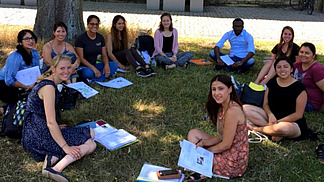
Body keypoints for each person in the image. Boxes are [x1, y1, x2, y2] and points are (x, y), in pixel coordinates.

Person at [22, 54, 96, 182]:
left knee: (90, 132)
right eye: (62, 68)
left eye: (68, 68)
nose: (66, 71)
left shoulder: (50, 83)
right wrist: (66, 147)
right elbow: (51, 123)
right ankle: (56, 168)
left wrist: (57, 125)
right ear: (53, 69)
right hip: (39, 135)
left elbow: (47, 116)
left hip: (33, 130)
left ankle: (51, 158)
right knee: (91, 143)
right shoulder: (49, 87)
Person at [186, 74, 248, 180]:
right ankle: (201, 168)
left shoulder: (233, 111)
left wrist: (206, 152)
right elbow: (220, 136)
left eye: (221, 89)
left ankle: (200, 170)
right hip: (224, 147)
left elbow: (226, 145)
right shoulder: (221, 107)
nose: (216, 93)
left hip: (233, 161)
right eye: (213, 89)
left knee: (197, 158)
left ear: (230, 89)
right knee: (193, 133)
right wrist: (203, 143)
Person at [243, 56, 309, 142]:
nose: (282, 69)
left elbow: (298, 115)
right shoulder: (271, 83)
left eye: (285, 66)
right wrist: (270, 115)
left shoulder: (300, 88)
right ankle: (273, 131)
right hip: (272, 117)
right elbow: (265, 104)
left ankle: (256, 128)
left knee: (283, 129)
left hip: (292, 122)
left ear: (291, 69)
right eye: (279, 67)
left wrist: (278, 121)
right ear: (275, 70)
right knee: (245, 108)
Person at [0, 29, 40, 116]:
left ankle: (5, 108)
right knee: (23, 97)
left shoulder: (35, 53)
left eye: (32, 38)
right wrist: (26, 87)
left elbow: (36, 72)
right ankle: (5, 109)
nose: (31, 41)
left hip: (27, 82)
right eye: (27, 39)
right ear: (20, 42)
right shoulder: (15, 56)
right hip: (5, 84)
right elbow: (9, 80)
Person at [75, 15, 118, 82]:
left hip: (95, 64)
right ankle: (102, 76)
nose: (94, 26)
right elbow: (81, 58)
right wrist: (93, 69)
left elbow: (104, 55)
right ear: (88, 25)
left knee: (114, 65)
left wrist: (106, 65)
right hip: (84, 67)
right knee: (87, 73)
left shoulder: (100, 37)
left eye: (96, 24)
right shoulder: (81, 38)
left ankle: (92, 79)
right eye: (92, 24)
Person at [294, 42, 324, 112]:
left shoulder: (316, 69)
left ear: (313, 55)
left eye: (307, 53)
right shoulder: (297, 64)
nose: (303, 55)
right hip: (298, 97)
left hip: (310, 103)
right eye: (301, 52)